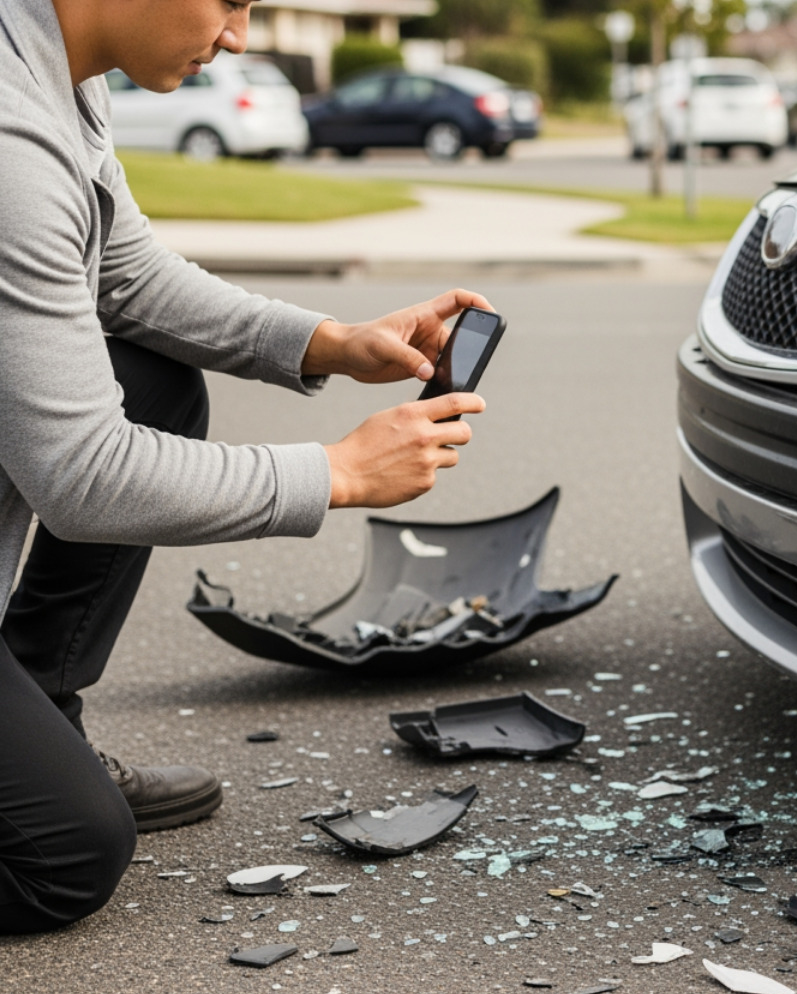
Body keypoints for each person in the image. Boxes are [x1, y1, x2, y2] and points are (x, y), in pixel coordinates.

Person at [0, 0, 490, 933]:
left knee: (155, 384)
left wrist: (331, 341)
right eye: (229, 0)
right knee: (66, 856)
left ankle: (38, 714)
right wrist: (338, 473)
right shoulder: (7, 145)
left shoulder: (60, 72)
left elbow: (126, 273)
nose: (239, 36)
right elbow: (83, 475)